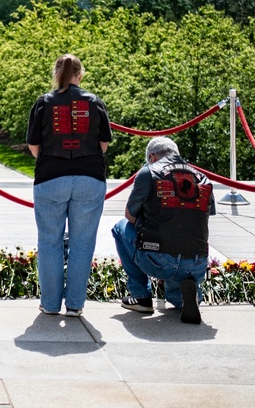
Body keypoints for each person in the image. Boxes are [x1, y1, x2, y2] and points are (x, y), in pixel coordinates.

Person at [26, 54, 112, 317]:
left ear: (56, 75)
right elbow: (104, 145)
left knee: (49, 242)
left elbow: (33, 146)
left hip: (51, 177)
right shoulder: (95, 102)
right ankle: (74, 305)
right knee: (82, 244)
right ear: (80, 75)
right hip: (89, 177)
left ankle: (50, 304)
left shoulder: (43, 102)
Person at [112, 136, 215, 325]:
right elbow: (203, 218)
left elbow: (130, 216)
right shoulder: (203, 178)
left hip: (159, 258)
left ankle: (141, 296)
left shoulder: (148, 173)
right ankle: (187, 298)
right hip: (196, 261)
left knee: (120, 228)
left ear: (151, 156)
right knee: (177, 294)